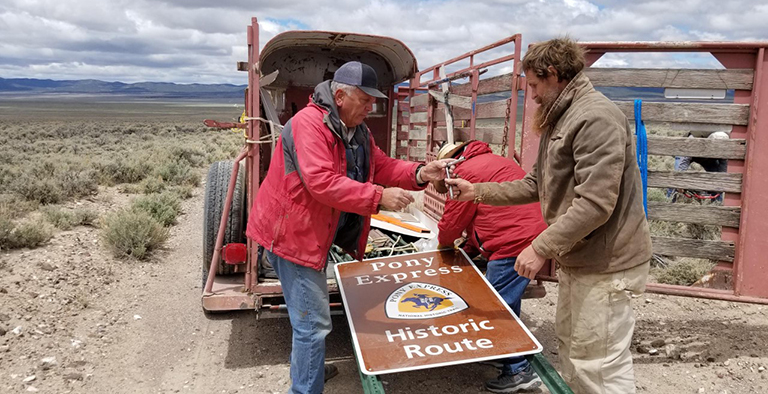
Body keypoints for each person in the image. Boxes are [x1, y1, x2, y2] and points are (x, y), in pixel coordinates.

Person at [445, 38, 653, 394]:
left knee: (599, 366)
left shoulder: (594, 118)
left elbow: (595, 203)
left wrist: (540, 247)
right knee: (577, 354)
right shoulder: (562, 118)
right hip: (582, 259)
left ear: (553, 74)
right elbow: (534, 184)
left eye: (535, 85)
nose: (534, 95)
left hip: (607, 263)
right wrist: (477, 191)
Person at [246, 61, 451, 394]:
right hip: (293, 236)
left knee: (309, 323)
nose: (371, 108)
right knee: (313, 324)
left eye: (373, 101)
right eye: (365, 100)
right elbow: (321, 183)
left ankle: (308, 369)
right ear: (340, 96)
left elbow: (381, 165)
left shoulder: (357, 131)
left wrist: (420, 174)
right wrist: (379, 197)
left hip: (316, 232)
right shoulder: (308, 125)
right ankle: (304, 389)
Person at [433, 140, 547, 393]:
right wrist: (473, 246)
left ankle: (518, 370)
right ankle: (504, 351)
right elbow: (488, 213)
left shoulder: (463, 173)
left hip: (512, 242)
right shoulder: (494, 162)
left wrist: (443, 247)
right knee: (507, 301)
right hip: (529, 233)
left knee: (494, 307)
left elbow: (453, 221)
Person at [668, 131, 729, 202]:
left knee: (717, 181)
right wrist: (679, 182)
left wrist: (720, 183)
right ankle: (669, 201)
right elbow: (683, 161)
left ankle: (717, 204)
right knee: (675, 180)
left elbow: (723, 167)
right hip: (687, 152)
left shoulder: (725, 144)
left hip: (707, 157)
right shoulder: (692, 142)